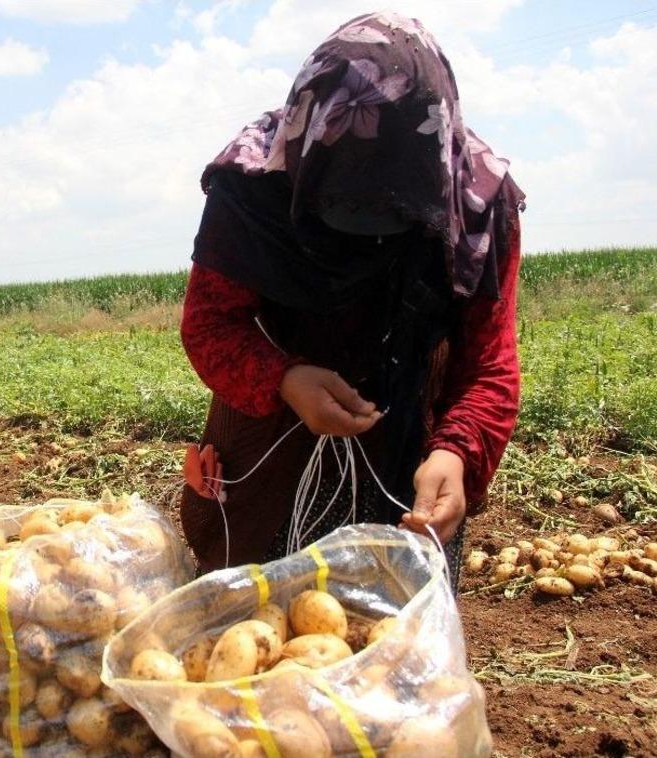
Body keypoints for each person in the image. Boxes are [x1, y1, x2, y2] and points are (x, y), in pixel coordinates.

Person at [179, 12, 525, 580]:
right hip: (272, 430)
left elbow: (488, 367)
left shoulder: (475, 209)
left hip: (408, 447)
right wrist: (285, 380)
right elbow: (211, 325)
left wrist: (455, 454)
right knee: (251, 623)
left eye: (394, 214)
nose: (368, 236)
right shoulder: (254, 187)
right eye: (340, 207)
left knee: (392, 634)